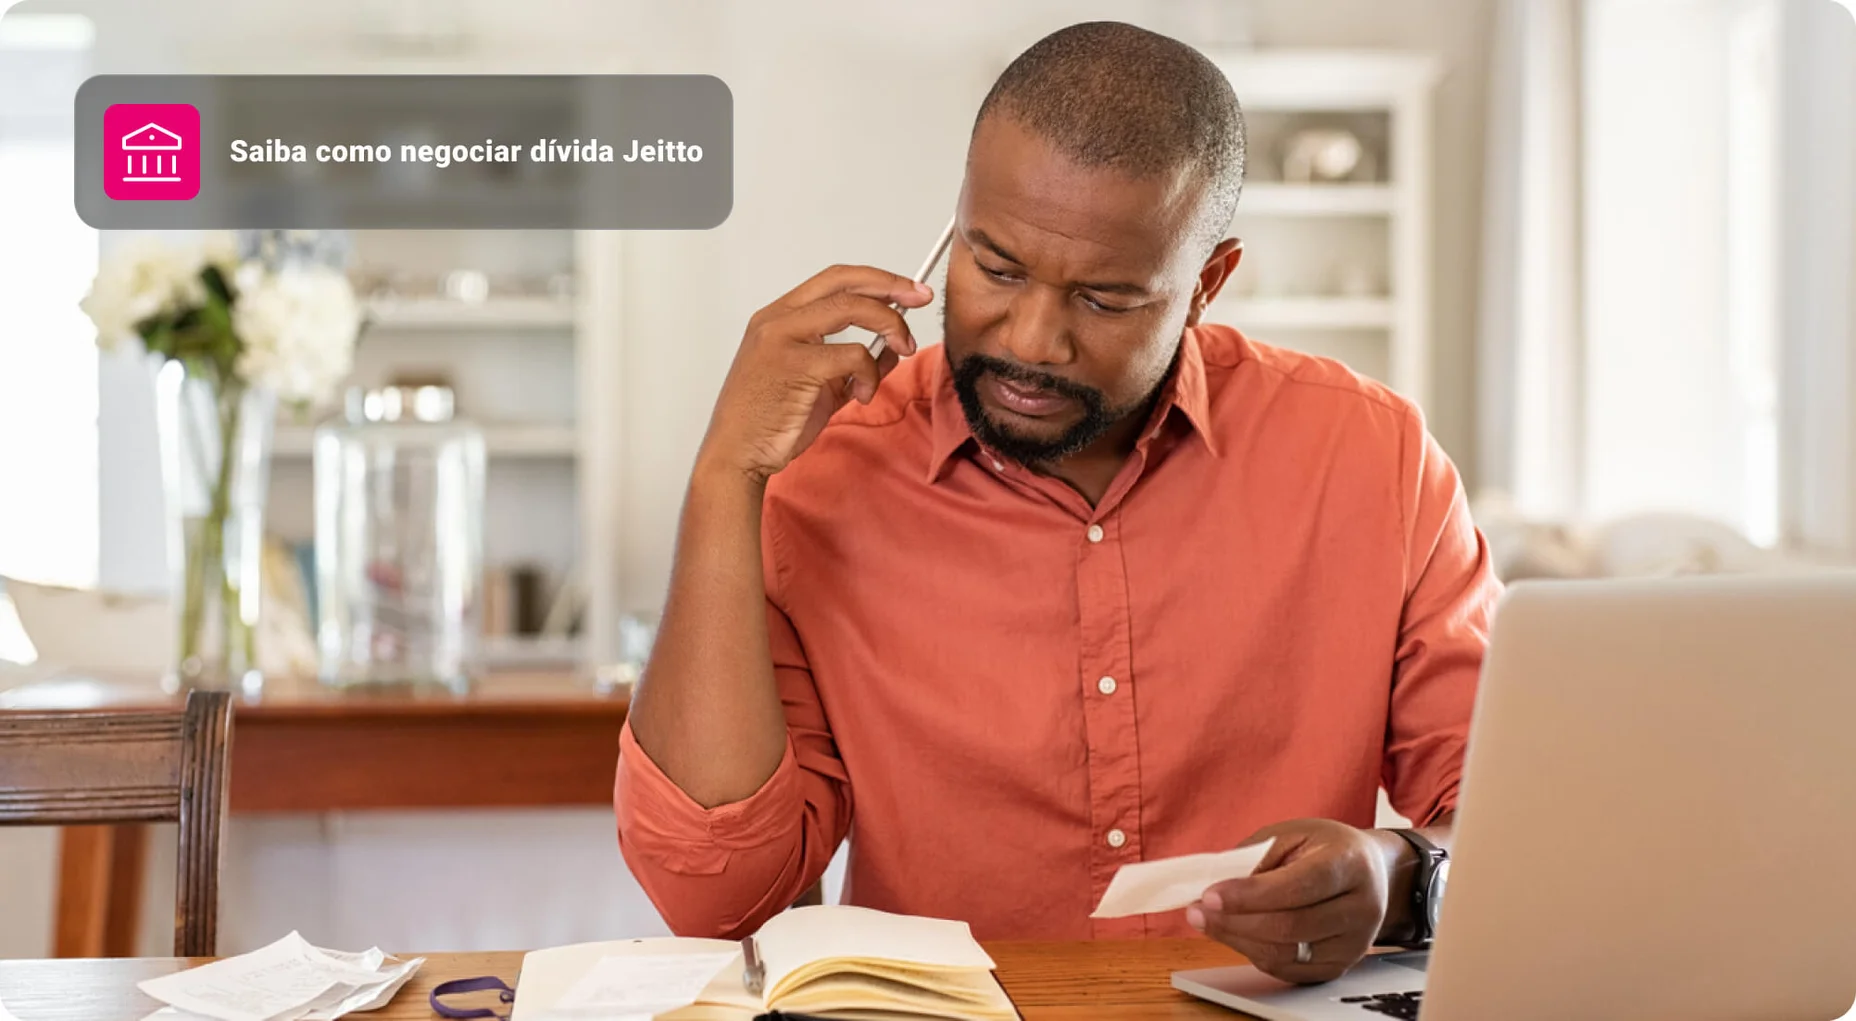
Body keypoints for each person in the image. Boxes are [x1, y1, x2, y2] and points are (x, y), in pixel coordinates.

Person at [616, 21, 1500, 984]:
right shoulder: (824, 474)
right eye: (995, 266)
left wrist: (1398, 869)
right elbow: (717, 900)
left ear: (1206, 283)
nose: (1033, 340)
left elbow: (1518, 827)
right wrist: (723, 477)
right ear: (953, 224)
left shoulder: (1374, 460)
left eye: (1107, 298)